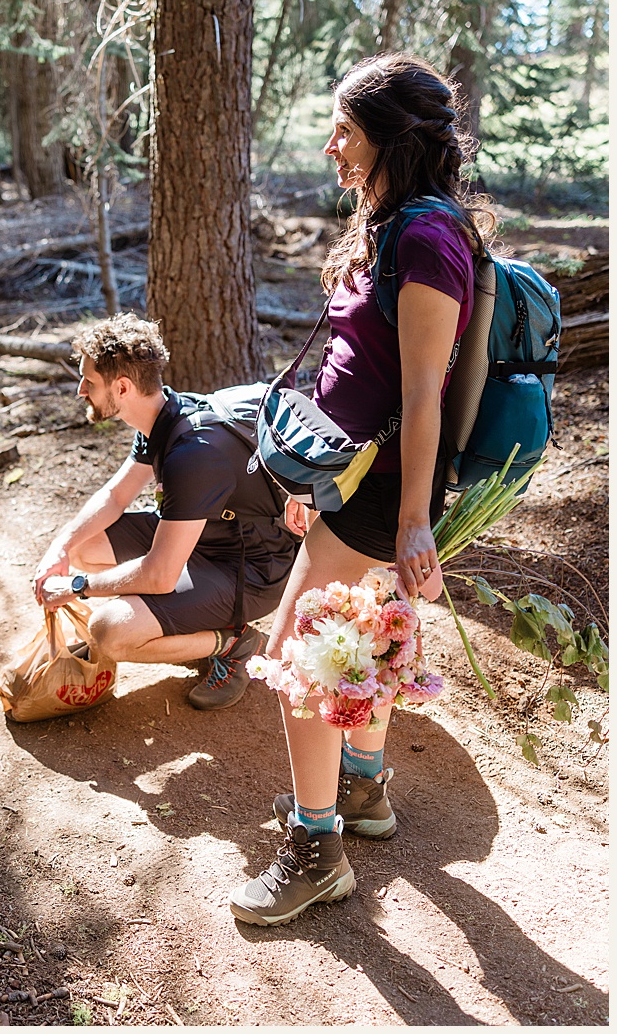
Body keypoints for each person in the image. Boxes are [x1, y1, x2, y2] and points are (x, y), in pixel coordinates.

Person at [227, 53, 478, 927]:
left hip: (382, 491)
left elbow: (421, 394)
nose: (333, 145)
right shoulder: (395, 221)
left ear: (389, 139)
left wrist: (413, 524)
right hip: (353, 480)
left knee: (303, 651)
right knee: (362, 640)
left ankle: (314, 846)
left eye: (346, 130)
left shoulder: (426, 238)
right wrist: (316, 483)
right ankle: (365, 791)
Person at [30, 316, 303, 712]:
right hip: (201, 543)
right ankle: (172, 616)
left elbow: (160, 574)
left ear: (121, 387)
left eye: (88, 380)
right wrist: (60, 547)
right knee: (83, 543)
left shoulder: (193, 453)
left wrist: (78, 587)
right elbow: (115, 495)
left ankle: (234, 643)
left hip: (248, 571)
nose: (80, 389)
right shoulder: (162, 415)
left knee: (109, 632)